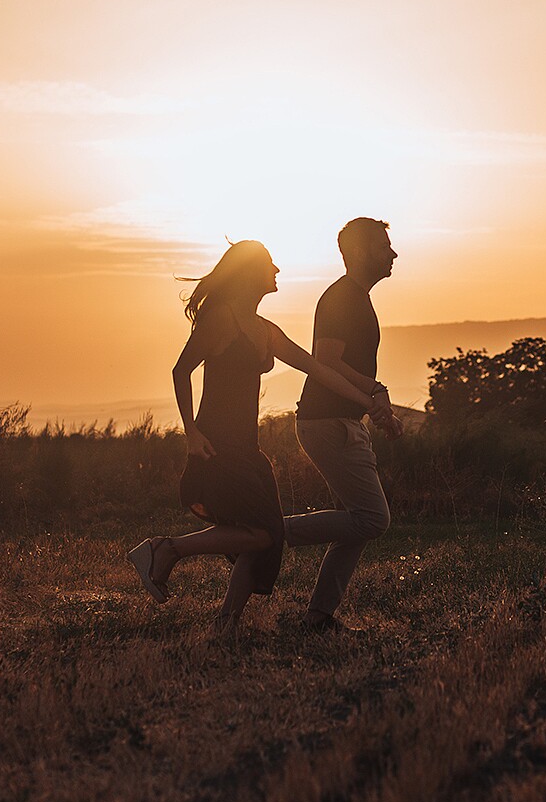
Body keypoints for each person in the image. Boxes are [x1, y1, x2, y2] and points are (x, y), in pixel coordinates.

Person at [129, 239, 388, 638]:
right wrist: (191, 433)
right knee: (264, 533)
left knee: (263, 537)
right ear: (250, 272)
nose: (278, 270)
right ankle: (168, 548)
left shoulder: (266, 331)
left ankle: (225, 623)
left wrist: (367, 399)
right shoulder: (220, 318)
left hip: (248, 448)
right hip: (216, 443)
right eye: (270, 263)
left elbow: (319, 371)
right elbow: (181, 371)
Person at [283, 217, 401, 632]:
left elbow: (346, 366)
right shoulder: (342, 298)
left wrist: (375, 401)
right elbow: (326, 362)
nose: (393, 254)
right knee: (373, 518)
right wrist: (374, 395)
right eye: (385, 247)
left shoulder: (356, 298)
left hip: (340, 420)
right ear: (361, 252)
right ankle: (265, 533)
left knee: (359, 520)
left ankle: (319, 616)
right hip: (326, 421)